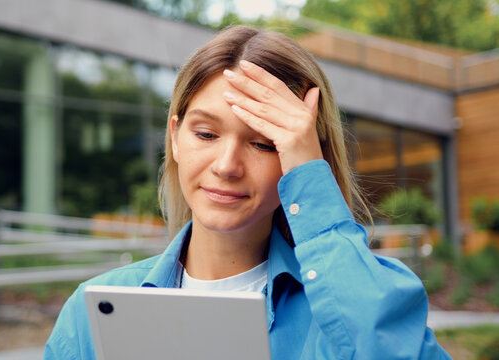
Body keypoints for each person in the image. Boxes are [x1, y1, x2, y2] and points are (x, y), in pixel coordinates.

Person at [45, 25, 450, 359]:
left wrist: (310, 177)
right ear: (175, 137)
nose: (226, 166)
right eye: (205, 133)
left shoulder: (351, 305)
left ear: (301, 157)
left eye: (262, 143)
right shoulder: (90, 316)